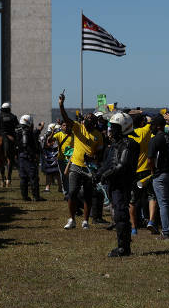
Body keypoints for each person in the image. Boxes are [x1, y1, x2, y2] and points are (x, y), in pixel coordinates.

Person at [96, 111, 139, 257]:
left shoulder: (129, 144)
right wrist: (98, 174)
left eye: (114, 127)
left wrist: (105, 175)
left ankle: (123, 248)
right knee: (117, 215)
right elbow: (108, 163)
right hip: (114, 184)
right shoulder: (115, 144)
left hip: (122, 184)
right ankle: (122, 245)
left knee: (121, 215)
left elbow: (122, 165)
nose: (111, 129)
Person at [59, 92, 102, 229]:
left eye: (92, 124)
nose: (89, 126)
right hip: (76, 166)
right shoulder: (78, 128)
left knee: (88, 195)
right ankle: (71, 219)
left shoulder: (98, 135)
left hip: (89, 168)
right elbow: (66, 119)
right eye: (88, 123)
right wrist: (61, 105)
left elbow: (100, 152)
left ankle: (85, 221)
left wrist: (95, 157)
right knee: (72, 193)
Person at [129, 111, 158, 235]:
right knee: (152, 196)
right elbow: (152, 119)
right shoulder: (146, 131)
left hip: (134, 172)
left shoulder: (129, 135)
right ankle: (151, 221)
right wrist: (143, 112)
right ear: (142, 122)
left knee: (133, 200)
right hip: (147, 170)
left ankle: (134, 227)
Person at [148, 114, 169, 239]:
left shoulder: (155, 140)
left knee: (163, 203)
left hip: (160, 175)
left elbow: (150, 159)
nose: (150, 128)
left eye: (152, 125)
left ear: (158, 126)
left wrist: (153, 172)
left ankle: (166, 232)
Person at [16, 115, 42, 201]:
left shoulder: (17, 130)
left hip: (20, 156)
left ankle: (24, 196)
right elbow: (26, 144)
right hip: (28, 156)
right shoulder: (27, 131)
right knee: (33, 176)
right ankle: (36, 196)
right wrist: (33, 155)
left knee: (23, 177)